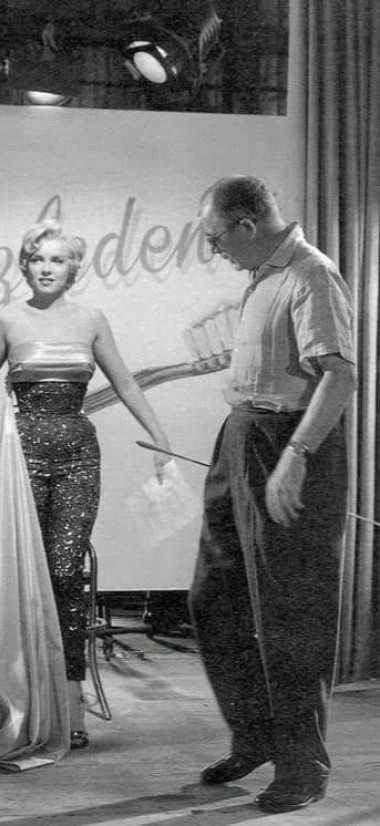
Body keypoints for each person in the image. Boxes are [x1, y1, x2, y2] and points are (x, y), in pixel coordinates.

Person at [0, 219, 172, 754]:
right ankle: (29, 696)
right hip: (23, 455)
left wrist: (159, 435)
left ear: (73, 268)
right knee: (29, 577)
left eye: (57, 260)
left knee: (65, 572)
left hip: (78, 454)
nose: (47, 268)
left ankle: (71, 697)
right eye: (38, 259)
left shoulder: (91, 319)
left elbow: (124, 380)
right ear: (25, 264)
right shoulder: (6, 318)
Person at [189, 176, 356, 813]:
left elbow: (339, 376)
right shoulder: (262, 277)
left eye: (216, 238)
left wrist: (296, 456)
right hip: (243, 436)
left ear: (247, 225)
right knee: (215, 598)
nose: (215, 251)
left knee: (290, 614)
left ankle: (303, 766)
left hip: (288, 443)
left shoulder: (312, 274)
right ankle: (256, 736)